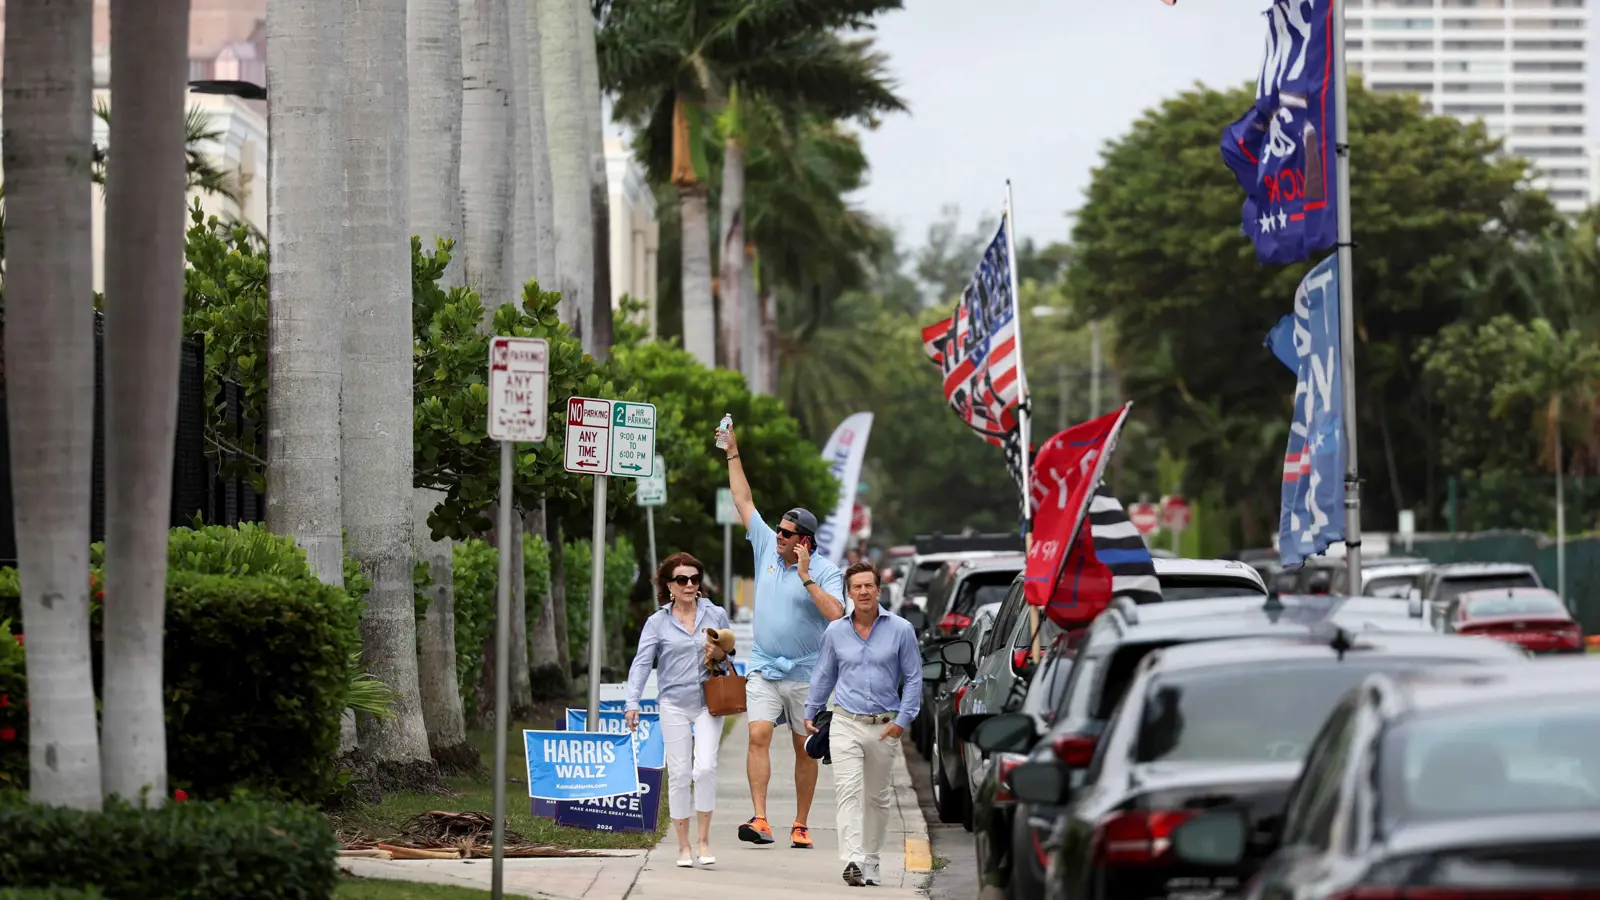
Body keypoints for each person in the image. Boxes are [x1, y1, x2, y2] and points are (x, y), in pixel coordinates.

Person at [720, 425, 845, 850]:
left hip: (807, 675)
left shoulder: (826, 571)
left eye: (786, 533)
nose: (778, 535)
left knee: (803, 748)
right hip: (764, 667)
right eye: (778, 529)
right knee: (758, 735)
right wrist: (733, 453)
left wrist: (807, 577)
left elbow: (837, 614)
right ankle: (760, 819)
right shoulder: (765, 550)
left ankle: (801, 824)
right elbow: (743, 500)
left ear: (804, 542)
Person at [804, 563, 921, 887]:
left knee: (877, 798)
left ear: (878, 591)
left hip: (884, 725)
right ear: (849, 592)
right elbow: (824, 674)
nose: (864, 592)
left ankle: (871, 860)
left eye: (869, 586)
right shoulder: (836, 632)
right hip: (845, 721)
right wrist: (811, 710)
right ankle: (853, 859)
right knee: (849, 792)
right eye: (857, 587)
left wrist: (902, 721)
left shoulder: (901, 630)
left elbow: (913, 679)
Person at [625, 552, 731, 868]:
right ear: (669, 585)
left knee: (706, 768)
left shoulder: (716, 614)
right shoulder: (657, 622)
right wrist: (633, 702)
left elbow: (730, 658)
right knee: (681, 773)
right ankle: (683, 845)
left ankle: (704, 841)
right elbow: (642, 663)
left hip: (708, 703)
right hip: (672, 704)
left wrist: (720, 654)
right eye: (682, 579)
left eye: (694, 579)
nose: (689, 584)